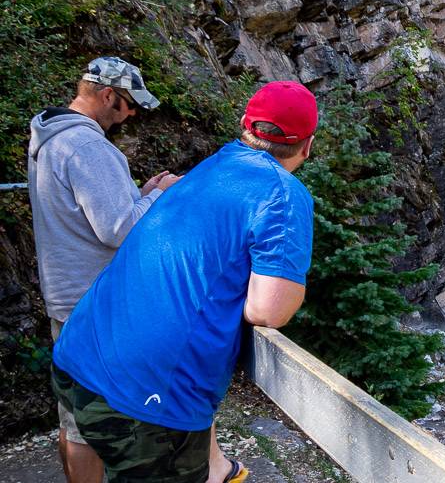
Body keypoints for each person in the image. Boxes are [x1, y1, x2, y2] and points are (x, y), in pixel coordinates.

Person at [50, 80, 319, 483]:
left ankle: (218, 468)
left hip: (79, 355)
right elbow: (269, 309)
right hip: (143, 401)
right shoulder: (282, 194)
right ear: (307, 146)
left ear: (245, 126)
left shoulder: (212, 165)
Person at [28, 56, 181, 483]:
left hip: (65, 294)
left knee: (72, 414)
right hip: (94, 302)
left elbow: (86, 214)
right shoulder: (89, 147)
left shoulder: (50, 136)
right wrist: (162, 196)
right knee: (95, 423)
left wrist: (141, 191)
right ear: (110, 95)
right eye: (130, 104)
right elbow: (118, 229)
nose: (132, 114)